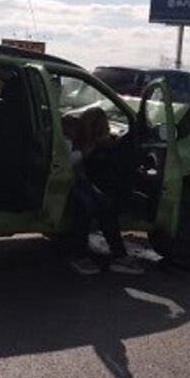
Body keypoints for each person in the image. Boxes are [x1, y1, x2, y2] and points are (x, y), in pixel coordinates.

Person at [67, 107, 143, 276]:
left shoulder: (87, 146)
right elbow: (75, 173)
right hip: (69, 187)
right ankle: (81, 256)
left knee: (104, 206)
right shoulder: (77, 149)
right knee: (91, 205)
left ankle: (119, 256)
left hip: (79, 186)